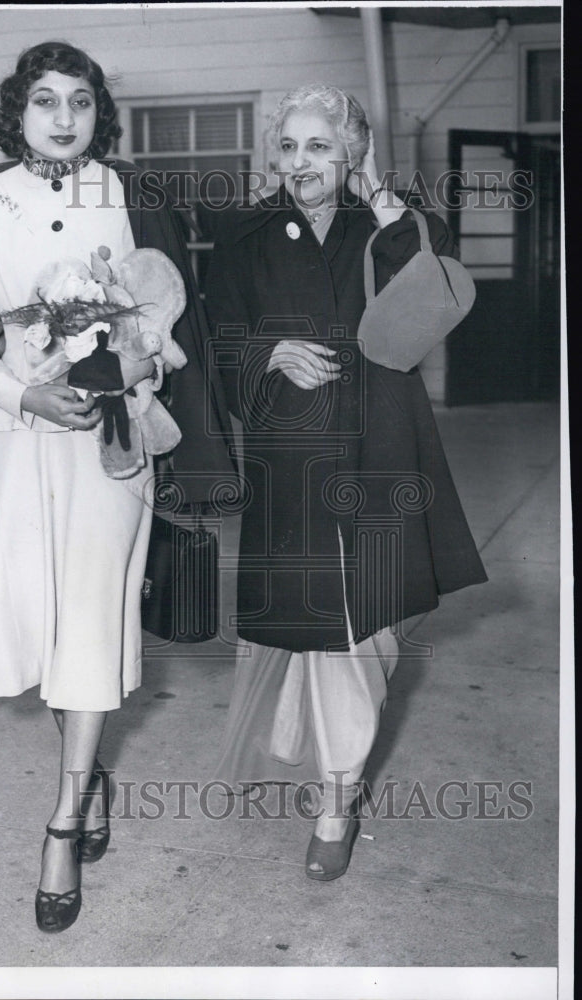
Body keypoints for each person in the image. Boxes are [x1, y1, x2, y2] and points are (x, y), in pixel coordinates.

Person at [0, 41, 236, 932]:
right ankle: (93, 772)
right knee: (45, 631)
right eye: (45, 100)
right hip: (19, 437)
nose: (64, 116)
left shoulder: (131, 194)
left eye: (80, 100)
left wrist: (134, 363)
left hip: (113, 450)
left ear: (98, 112)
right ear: (18, 110)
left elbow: (167, 314)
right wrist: (24, 391)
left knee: (89, 622)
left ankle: (63, 820)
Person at [205, 85, 487, 881]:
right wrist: (270, 355)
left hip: (381, 449)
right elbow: (219, 347)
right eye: (288, 147)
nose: (301, 163)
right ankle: (337, 798)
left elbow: (432, 307)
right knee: (327, 631)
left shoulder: (395, 227)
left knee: (372, 629)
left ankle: (342, 778)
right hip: (290, 461)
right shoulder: (241, 236)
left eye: (320, 146)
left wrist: (394, 219)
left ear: (353, 151)